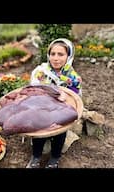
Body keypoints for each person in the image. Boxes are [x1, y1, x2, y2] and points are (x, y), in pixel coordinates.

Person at [26, 38, 82, 168]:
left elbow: (74, 98)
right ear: (48, 55)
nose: (56, 58)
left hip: (61, 111)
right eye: (53, 54)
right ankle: (36, 157)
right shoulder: (40, 72)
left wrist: (64, 96)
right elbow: (34, 91)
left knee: (60, 133)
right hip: (42, 109)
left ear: (69, 56)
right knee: (38, 131)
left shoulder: (73, 78)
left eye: (61, 54)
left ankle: (54, 159)